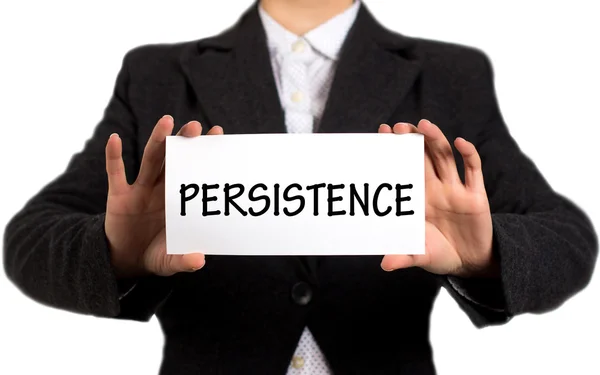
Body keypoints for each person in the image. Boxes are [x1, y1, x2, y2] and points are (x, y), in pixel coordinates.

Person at [3, 0, 597, 374]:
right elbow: (29, 241)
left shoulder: (450, 75)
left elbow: (566, 240)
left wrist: (488, 254)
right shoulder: (156, 73)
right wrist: (115, 257)